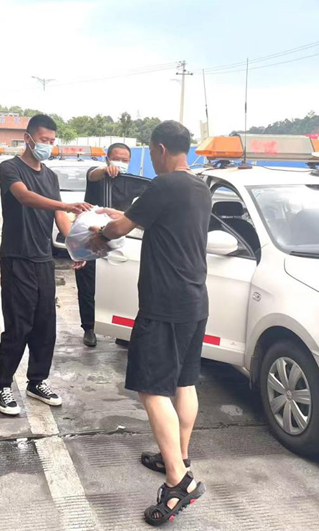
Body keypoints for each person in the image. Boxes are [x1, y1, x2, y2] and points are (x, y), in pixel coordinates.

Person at [89, 121, 210, 526]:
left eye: (151, 152)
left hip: (164, 304)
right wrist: (122, 215)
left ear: (159, 149)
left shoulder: (164, 185)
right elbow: (151, 219)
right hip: (195, 300)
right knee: (184, 382)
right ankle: (178, 455)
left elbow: (119, 229)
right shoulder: (199, 187)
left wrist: (101, 231)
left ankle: (179, 481)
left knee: (152, 389)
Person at [0, 114, 91, 416]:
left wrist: (75, 246)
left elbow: (59, 217)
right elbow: (25, 197)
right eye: (44, 140)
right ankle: (2, 385)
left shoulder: (50, 176)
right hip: (17, 258)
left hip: (43, 259)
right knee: (18, 325)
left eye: (52, 141)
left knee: (45, 325)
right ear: (28, 139)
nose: (48, 145)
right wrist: (65, 205)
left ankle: (37, 381)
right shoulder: (10, 168)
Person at [76, 142, 135, 347]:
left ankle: (122, 331)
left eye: (125, 160)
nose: (120, 163)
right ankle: (89, 327)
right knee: (88, 284)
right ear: (107, 159)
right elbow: (93, 174)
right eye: (116, 159)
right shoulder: (97, 175)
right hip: (92, 236)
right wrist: (105, 170)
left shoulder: (131, 182)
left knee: (121, 284)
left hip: (119, 240)